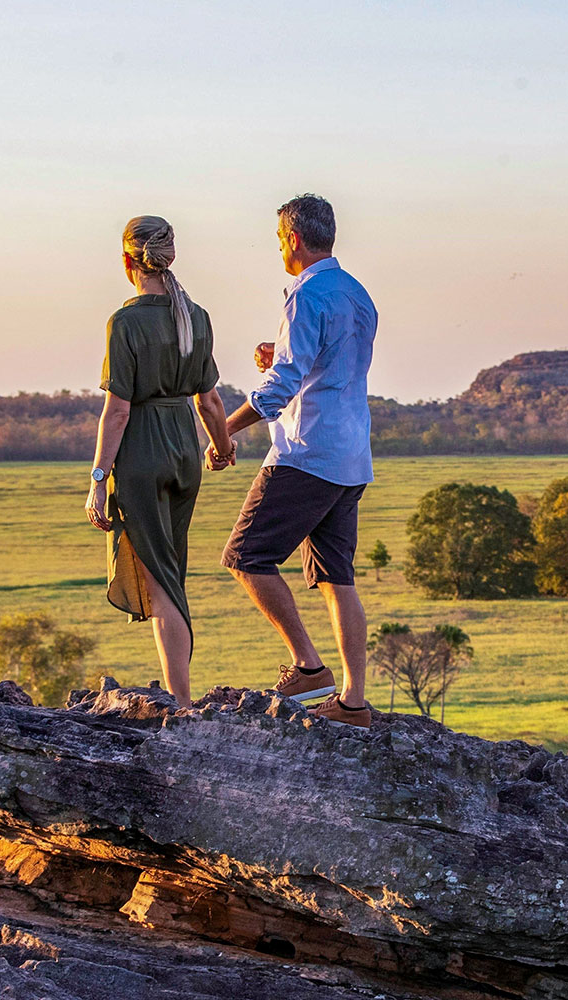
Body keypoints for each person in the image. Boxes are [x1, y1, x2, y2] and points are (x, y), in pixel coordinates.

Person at [218, 194, 378, 727]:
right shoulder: (358, 295)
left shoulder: (306, 294)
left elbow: (286, 382)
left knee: (246, 556)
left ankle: (309, 667)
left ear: (292, 239)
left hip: (306, 452)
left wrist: (225, 428)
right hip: (351, 454)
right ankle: (353, 704)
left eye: (278, 241)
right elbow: (321, 364)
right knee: (337, 576)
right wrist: (277, 355)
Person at [86, 215, 235, 706]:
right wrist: (222, 446)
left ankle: (181, 701)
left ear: (128, 261)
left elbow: (119, 409)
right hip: (184, 451)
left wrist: (97, 478)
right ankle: (179, 692)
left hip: (143, 451)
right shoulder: (198, 315)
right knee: (171, 569)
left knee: (163, 578)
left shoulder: (125, 322)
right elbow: (210, 402)